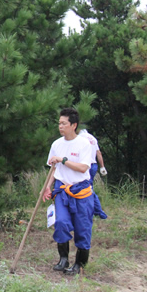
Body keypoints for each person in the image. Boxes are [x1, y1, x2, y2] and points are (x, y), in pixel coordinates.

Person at [44, 108, 103, 276]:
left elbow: (83, 167)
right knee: (61, 223)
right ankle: (63, 259)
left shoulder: (84, 144)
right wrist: (47, 187)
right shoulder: (56, 144)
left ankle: (79, 264)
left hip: (81, 192)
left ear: (73, 125)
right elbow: (53, 170)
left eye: (64, 123)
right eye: (59, 123)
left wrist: (63, 160)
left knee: (82, 229)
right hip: (62, 191)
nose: (60, 126)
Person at [79, 129, 108, 219]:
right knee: (89, 187)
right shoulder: (93, 138)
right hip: (93, 165)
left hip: (85, 166)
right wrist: (102, 166)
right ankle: (95, 211)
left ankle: (98, 211)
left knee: (87, 189)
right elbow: (98, 153)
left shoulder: (79, 138)